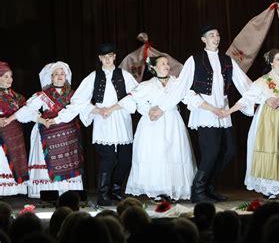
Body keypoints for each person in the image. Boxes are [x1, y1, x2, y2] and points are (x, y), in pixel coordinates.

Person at [49, 43, 138, 206]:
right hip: (103, 122)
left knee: (125, 160)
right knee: (108, 159)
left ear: (114, 57)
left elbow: (136, 95)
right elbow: (78, 100)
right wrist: (97, 110)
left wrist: (113, 108)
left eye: (110, 56)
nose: (107, 59)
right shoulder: (93, 77)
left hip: (121, 119)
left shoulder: (124, 75)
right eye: (104, 57)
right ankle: (103, 194)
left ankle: (115, 190)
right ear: (100, 58)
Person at [104, 55, 196, 201]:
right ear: (153, 67)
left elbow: (190, 96)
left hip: (172, 123)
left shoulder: (176, 83)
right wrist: (110, 109)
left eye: (167, 63)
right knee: (157, 154)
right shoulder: (148, 85)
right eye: (163, 63)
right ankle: (158, 191)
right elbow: (131, 98)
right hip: (153, 124)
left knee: (173, 154)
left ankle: (172, 189)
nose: (167, 66)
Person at [179, 24, 251, 203]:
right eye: (212, 35)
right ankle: (198, 190)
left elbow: (244, 83)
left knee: (229, 151)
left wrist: (262, 96)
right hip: (205, 114)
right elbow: (182, 88)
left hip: (224, 114)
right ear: (203, 39)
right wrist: (208, 107)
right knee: (211, 152)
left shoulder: (227, 60)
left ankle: (209, 187)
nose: (216, 38)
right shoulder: (194, 60)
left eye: (217, 35)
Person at [225, 49, 279, 199]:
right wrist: (229, 111)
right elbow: (247, 98)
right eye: (277, 59)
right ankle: (270, 188)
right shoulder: (264, 80)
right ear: (271, 62)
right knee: (272, 148)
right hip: (270, 119)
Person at [6, 62, 83, 198]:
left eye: (62, 74)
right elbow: (28, 110)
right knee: (47, 162)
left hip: (68, 135)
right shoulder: (44, 95)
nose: (59, 76)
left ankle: (68, 192)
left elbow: (83, 107)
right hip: (48, 133)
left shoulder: (73, 95)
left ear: (66, 76)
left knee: (69, 161)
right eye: (56, 74)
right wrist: (11, 118)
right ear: (51, 77)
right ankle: (50, 193)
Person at [0, 61, 28, 196]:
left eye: (10, 76)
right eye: (5, 76)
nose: (9, 79)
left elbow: (27, 112)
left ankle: (9, 191)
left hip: (14, 133)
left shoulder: (18, 97)